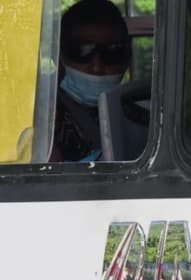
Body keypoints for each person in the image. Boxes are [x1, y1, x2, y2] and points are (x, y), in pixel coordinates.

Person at [51, 0, 130, 162]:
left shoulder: (145, 119)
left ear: (127, 58)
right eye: (81, 51)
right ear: (59, 57)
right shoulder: (41, 120)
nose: (97, 67)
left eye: (112, 53)